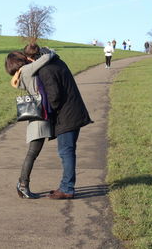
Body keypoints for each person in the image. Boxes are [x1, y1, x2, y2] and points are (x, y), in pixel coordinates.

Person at [24, 43, 93, 199]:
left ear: (32, 59)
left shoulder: (45, 70)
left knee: (66, 152)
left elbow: (54, 97)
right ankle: (66, 186)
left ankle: (67, 188)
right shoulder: (57, 61)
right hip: (74, 111)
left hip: (67, 116)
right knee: (68, 151)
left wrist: (45, 109)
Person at [5, 49, 55, 199]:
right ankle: (23, 185)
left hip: (37, 115)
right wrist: (47, 51)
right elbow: (48, 56)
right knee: (32, 153)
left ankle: (23, 184)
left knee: (32, 153)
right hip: (39, 117)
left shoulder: (22, 73)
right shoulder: (27, 70)